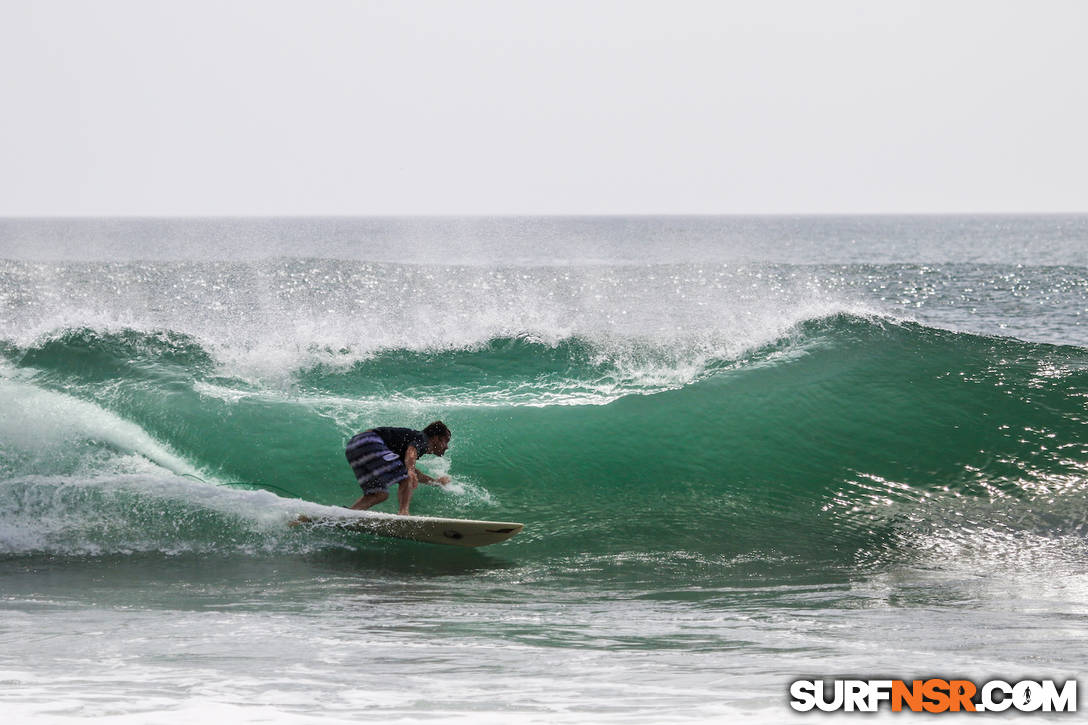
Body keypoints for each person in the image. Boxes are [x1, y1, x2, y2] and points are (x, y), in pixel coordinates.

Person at [344, 421, 452, 515]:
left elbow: (413, 470)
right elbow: (411, 451)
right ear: (436, 438)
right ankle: (403, 513)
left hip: (354, 446)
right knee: (406, 477)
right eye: (445, 441)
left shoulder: (404, 443)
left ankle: (349, 514)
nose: (446, 446)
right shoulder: (423, 438)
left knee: (379, 494)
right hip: (370, 441)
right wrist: (409, 470)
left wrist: (436, 482)